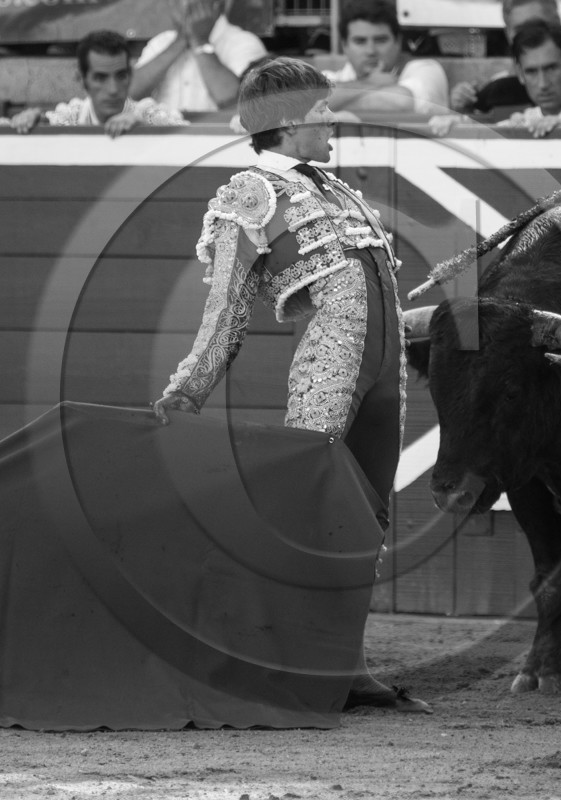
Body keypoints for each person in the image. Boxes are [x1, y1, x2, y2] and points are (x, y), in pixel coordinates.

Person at [152, 56, 428, 714]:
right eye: (322, 111)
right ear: (290, 122)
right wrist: (188, 389)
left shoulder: (338, 187)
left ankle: (346, 667)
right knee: (312, 515)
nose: (333, 121)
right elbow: (225, 311)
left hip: (384, 378)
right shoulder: (245, 197)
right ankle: (286, 664)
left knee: (368, 522)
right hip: (329, 375)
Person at [445, 0, 561, 119]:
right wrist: (462, 109)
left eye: (539, 25)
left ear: (557, 24)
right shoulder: (499, 84)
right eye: (521, 29)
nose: (543, 83)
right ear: (508, 34)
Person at [12, 30, 188, 136]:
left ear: (130, 75)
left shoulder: (147, 114)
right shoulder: (72, 116)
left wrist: (144, 129)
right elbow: (47, 123)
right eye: (100, 78)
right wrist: (32, 121)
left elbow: (190, 138)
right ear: (81, 79)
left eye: (121, 76)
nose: (113, 89)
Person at [129, 0, 267, 113]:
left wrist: (201, 43)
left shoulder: (244, 42)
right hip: (164, 141)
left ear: (216, 4)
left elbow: (238, 104)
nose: (180, 5)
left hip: (218, 141)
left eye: (191, 4)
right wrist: (180, 41)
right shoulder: (160, 42)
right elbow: (130, 93)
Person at [323, 0, 449, 116]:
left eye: (380, 40)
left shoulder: (426, 69)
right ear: (344, 45)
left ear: (398, 42)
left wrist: (333, 101)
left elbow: (401, 103)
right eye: (360, 41)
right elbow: (307, 98)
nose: (371, 51)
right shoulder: (333, 77)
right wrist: (370, 83)